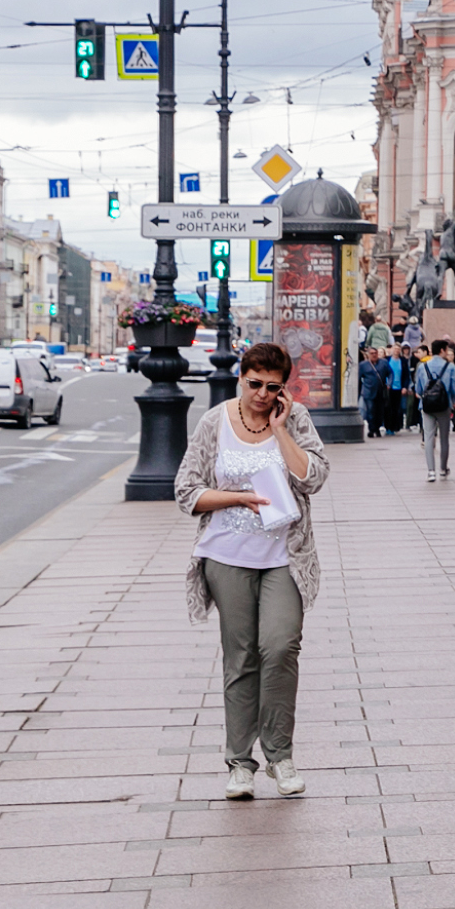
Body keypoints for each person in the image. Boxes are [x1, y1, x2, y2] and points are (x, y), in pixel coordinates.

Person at [173, 341, 326, 800]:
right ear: (241, 377)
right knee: (240, 658)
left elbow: (314, 478)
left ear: (284, 388)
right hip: (226, 556)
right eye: (254, 383)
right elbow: (186, 491)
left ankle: (280, 756)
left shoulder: (294, 419)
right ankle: (240, 763)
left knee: (280, 648)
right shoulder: (214, 422)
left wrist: (281, 431)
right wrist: (238, 498)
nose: (261, 393)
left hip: (285, 556)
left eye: (272, 387)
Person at [412, 342, 455, 484]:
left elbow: (419, 389)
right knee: (444, 437)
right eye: (446, 350)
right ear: (441, 350)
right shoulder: (450, 367)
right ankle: (443, 468)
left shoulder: (423, 367)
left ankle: (431, 471)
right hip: (444, 405)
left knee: (428, 437)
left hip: (427, 405)